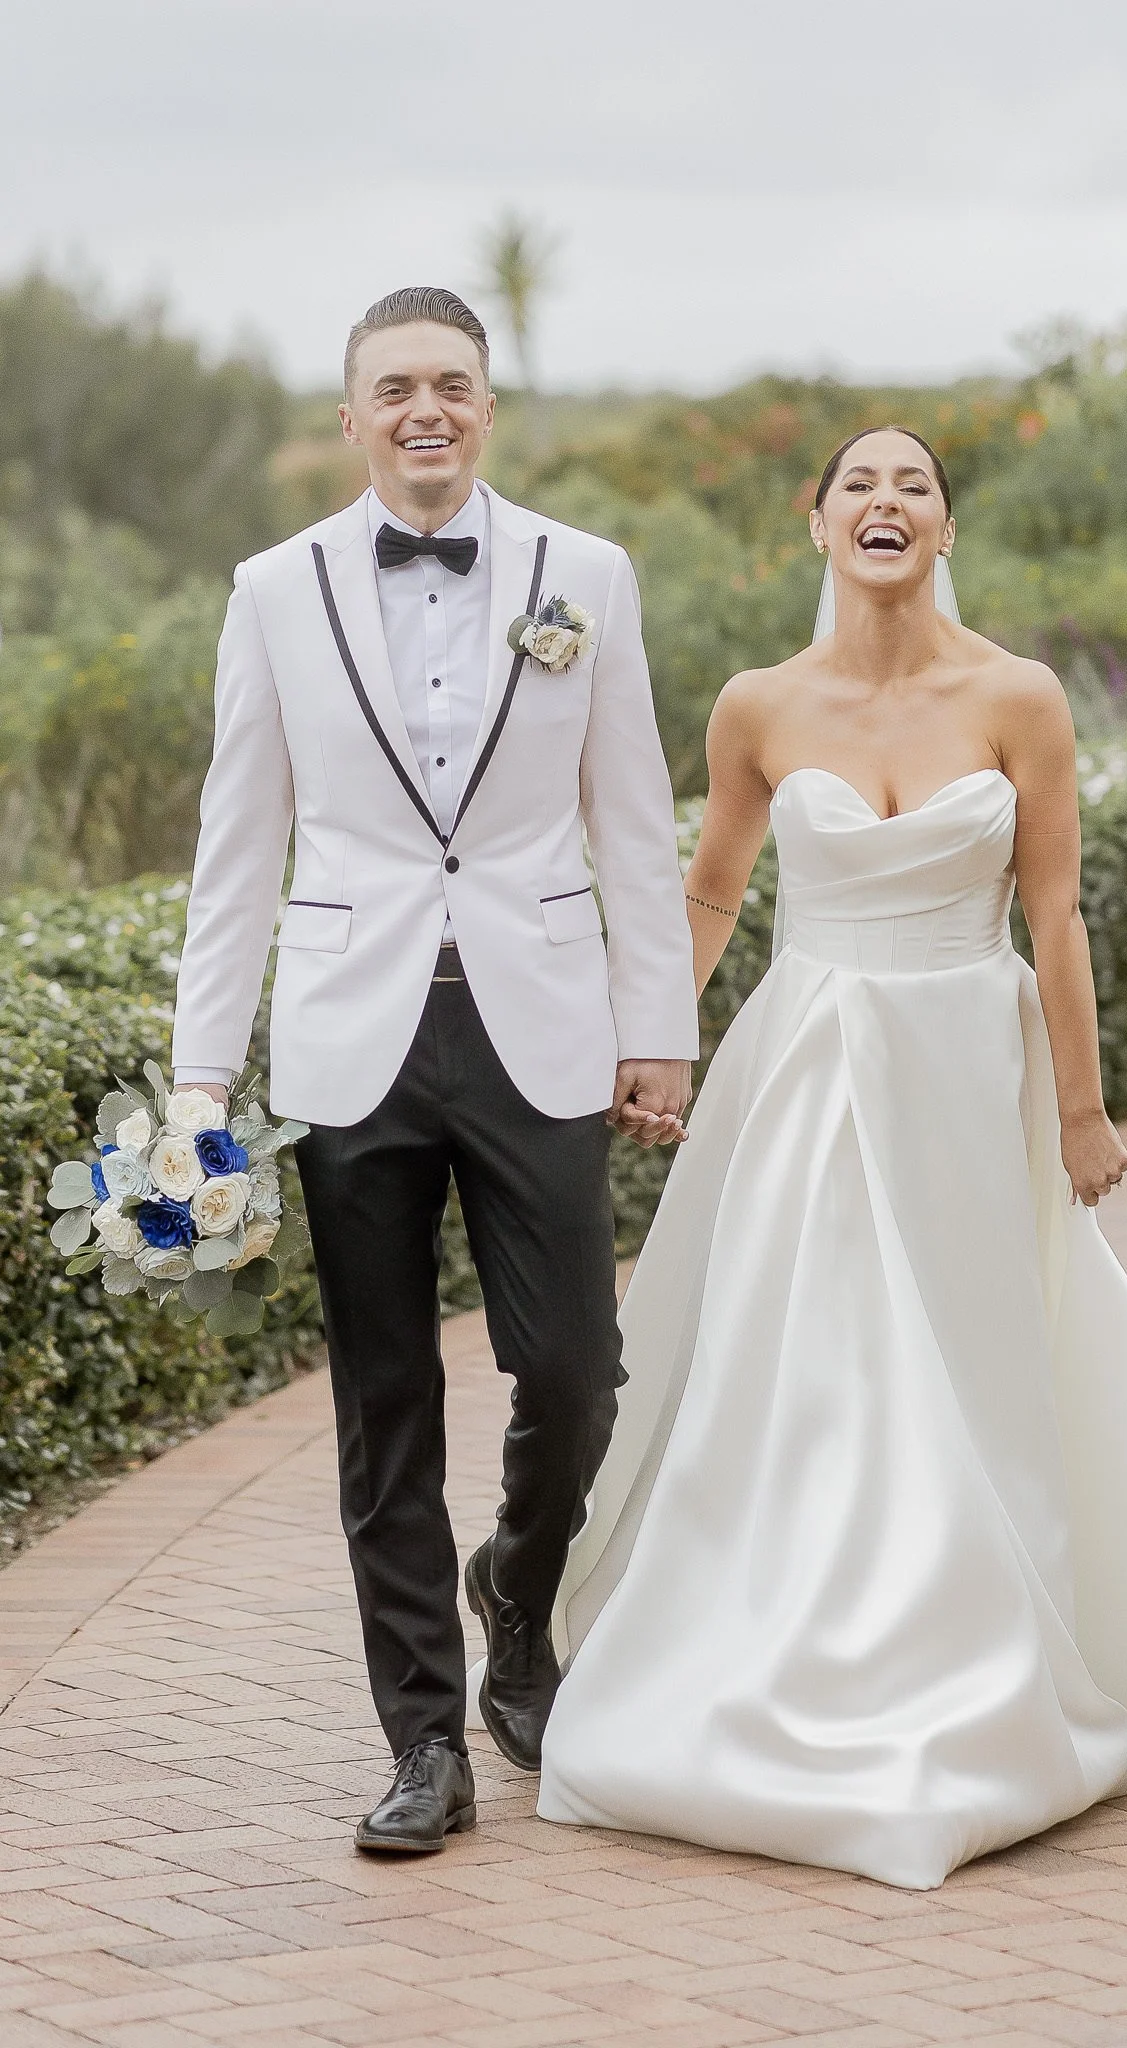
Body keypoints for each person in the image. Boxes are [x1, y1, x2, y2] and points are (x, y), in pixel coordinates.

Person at [536, 426, 1127, 1891]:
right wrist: (647, 1041)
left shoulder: (1019, 695)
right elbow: (714, 891)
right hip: (809, 1065)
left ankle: (1009, 1647)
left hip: (970, 1072)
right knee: (818, 1357)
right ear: (817, 528)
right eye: (858, 482)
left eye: (913, 483)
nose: (885, 500)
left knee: (976, 1355)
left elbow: (1054, 916)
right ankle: (819, 1650)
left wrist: (1081, 1108)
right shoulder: (757, 705)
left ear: (944, 527)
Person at [169, 286, 696, 1854]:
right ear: (351, 417)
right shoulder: (273, 589)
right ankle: (423, 1741)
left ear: (487, 405)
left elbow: (632, 817)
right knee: (385, 1403)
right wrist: (203, 1079)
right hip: (350, 1039)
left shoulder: (583, 575)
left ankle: (518, 1590)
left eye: (451, 385)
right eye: (394, 386)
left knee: (578, 1371)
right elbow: (237, 842)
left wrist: (655, 1023)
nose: (425, 410)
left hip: (537, 1018)